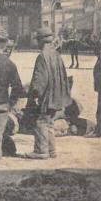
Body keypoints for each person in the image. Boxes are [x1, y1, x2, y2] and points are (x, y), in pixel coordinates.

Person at [24, 28, 72, 159]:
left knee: (41, 123)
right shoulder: (57, 55)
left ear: (41, 41)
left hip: (47, 97)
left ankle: (41, 151)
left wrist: (34, 95)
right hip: (57, 96)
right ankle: (52, 150)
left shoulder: (42, 56)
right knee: (49, 123)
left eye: (38, 40)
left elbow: (40, 80)